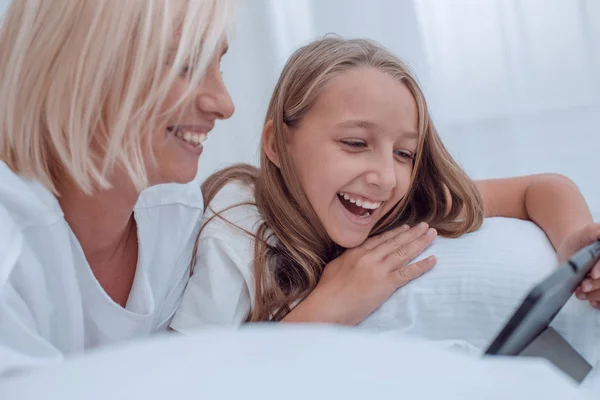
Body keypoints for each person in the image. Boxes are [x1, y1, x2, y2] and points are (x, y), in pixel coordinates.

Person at [170, 37, 600, 330]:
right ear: (277, 145)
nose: (385, 177)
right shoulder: (236, 231)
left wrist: (573, 245)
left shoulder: (394, 204)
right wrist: (329, 308)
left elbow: (542, 188)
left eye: (404, 153)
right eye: (355, 143)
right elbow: (192, 378)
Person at [0, 0, 235, 376]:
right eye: (185, 65)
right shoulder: (10, 248)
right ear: (83, 68)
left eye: (217, 64)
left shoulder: (176, 212)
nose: (224, 104)